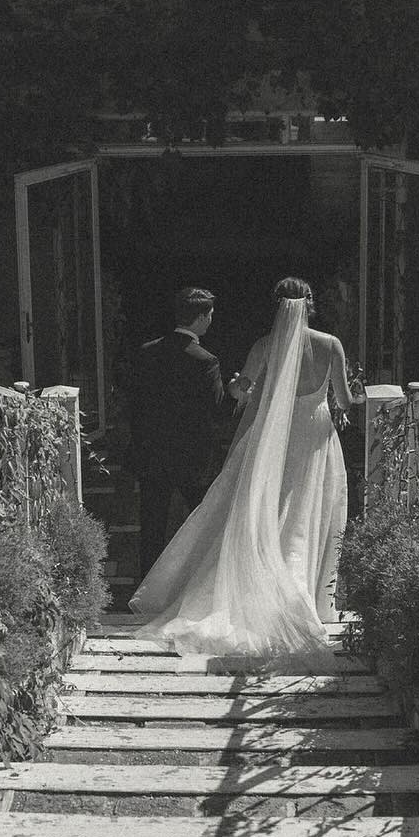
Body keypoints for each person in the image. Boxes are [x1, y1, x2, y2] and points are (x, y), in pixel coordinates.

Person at [129, 276, 367, 673]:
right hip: (314, 438)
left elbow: (240, 391)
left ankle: (270, 588)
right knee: (307, 516)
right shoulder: (331, 345)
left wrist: (246, 387)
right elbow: (345, 399)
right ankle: (306, 596)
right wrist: (357, 394)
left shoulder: (264, 345)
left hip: (274, 440)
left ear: (278, 306)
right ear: (309, 304)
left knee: (268, 513)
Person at [128, 287, 238, 579]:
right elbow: (218, 412)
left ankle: (145, 589)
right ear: (201, 318)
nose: (212, 320)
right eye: (210, 314)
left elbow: (136, 404)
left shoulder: (147, 352)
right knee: (201, 523)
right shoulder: (206, 360)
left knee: (152, 525)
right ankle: (199, 584)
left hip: (153, 452)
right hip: (193, 456)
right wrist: (235, 394)